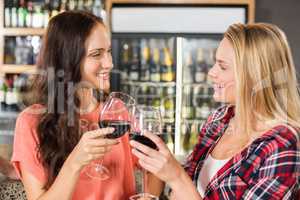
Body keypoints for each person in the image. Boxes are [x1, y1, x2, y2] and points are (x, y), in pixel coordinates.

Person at [130, 23, 300, 199]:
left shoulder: (282, 145)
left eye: (223, 67)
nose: (211, 72)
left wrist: (177, 177)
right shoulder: (218, 119)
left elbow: (181, 184)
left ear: (254, 76)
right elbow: (179, 192)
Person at [11, 11, 162, 200]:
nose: (109, 63)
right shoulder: (31, 121)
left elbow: (156, 167)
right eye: (96, 54)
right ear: (67, 60)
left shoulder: (117, 111)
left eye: (108, 51)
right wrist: (75, 162)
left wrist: (149, 197)